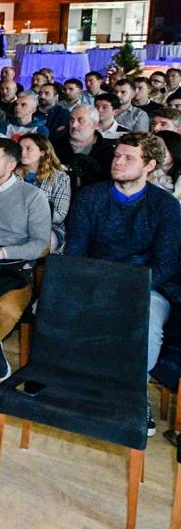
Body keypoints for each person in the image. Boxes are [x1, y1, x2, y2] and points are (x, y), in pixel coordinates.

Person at [66, 133, 181, 392]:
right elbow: (75, 252)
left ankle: (134, 396)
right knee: (55, 308)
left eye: (129, 157)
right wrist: (98, 285)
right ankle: (71, 386)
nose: (118, 161)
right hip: (95, 280)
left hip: (146, 287)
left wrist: (127, 288)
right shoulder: (89, 197)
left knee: (147, 326)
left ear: (150, 165)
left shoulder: (165, 206)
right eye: (117, 155)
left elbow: (165, 264)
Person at [0, 138, 51, 380]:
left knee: (4, 311)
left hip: (13, 269)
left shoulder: (32, 196)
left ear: (10, 165)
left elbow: (42, 246)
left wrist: (4, 252)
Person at [17, 133, 71, 252]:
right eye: (20, 148)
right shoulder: (12, 173)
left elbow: (60, 214)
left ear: (42, 152)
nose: (22, 152)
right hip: (14, 224)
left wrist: (32, 219)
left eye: (28, 148)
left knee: (45, 241)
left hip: (48, 227)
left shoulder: (60, 178)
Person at [52, 104, 114, 189]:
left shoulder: (107, 151)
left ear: (94, 125)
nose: (74, 125)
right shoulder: (54, 145)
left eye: (81, 120)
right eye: (72, 120)